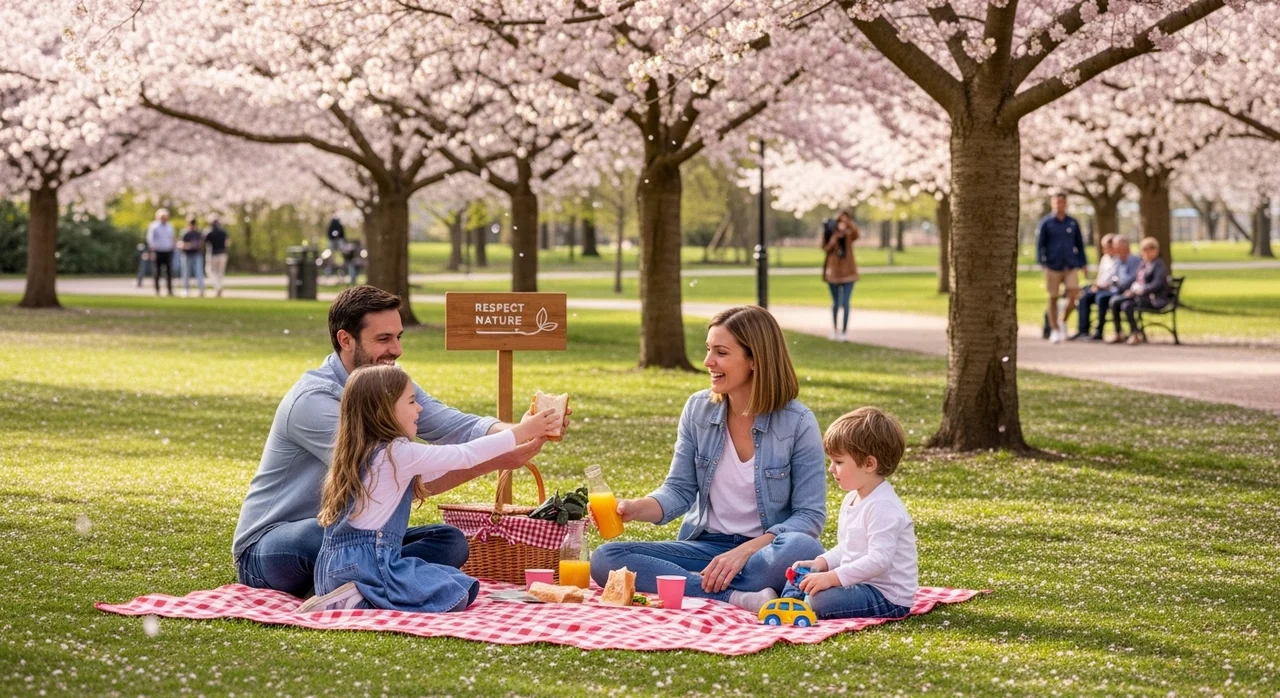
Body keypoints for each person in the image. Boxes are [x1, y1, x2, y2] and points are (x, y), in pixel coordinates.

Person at [232, 285, 567, 598]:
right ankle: (371, 581)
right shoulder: (313, 401)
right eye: (383, 338)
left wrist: (525, 428)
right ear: (345, 339)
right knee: (317, 535)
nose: (396, 349)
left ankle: (358, 583)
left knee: (449, 542)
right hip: (273, 546)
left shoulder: (388, 382)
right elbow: (392, 475)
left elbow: (451, 424)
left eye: (398, 336)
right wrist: (499, 457)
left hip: (362, 540)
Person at [589, 305, 827, 614]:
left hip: (765, 551)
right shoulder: (698, 410)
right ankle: (736, 596)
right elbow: (679, 490)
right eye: (708, 349)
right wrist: (636, 508)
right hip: (705, 548)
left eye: (721, 352)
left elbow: (809, 517)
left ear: (755, 359)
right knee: (606, 558)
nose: (707, 362)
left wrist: (745, 551)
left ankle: (699, 585)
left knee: (803, 547)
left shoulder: (797, 422)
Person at [297, 364, 563, 613]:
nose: (420, 409)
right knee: (452, 594)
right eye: (412, 401)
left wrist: (524, 430)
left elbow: (444, 465)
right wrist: (521, 432)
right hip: (368, 568)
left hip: (334, 566)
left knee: (454, 580)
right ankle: (357, 601)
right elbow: (464, 454)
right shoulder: (397, 453)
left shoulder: (366, 452)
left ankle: (350, 594)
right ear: (385, 409)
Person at [782, 407, 917, 620]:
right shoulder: (853, 497)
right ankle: (787, 604)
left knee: (820, 599)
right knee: (802, 574)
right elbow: (848, 548)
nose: (831, 469)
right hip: (857, 583)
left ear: (869, 464)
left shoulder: (883, 507)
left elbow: (879, 560)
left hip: (885, 596)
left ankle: (802, 603)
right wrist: (821, 563)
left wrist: (832, 578)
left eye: (839, 462)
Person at [1036, 194, 1088, 344]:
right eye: (1057, 202)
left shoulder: (1072, 222)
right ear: (1053, 204)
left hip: (1070, 264)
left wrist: (1083, 263)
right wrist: (1043, 263)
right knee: (1053, 297)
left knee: (1074, 295)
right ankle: (1054, 329)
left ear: (1065, 204)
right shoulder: (1046, 223)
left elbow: (1079, 245)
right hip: (1053, 265)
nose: (1059, 205)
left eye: (1062, 202)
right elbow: (1040, 245)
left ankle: (1062, 320)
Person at [1109, 237, 1170, 345]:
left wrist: (1141, 290)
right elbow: (1136, 280)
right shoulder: (1143, 264)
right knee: (1115, 302)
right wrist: (1131, 290)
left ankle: (1135, 334)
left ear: (1156, 250)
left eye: (1150, 249)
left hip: (1153, 298)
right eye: (1144, 249)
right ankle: (1119, 332)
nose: (1147, 252)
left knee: (1126, 305)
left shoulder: (1158, 265)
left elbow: (1157, 284)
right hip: (1139, 296)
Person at [821, 211, 860, 342]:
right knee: (836, 304)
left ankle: (844, 332)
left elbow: (857, 234)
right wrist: (834, 238)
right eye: (841, 221)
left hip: (849, 273)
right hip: (834, 274)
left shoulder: (849, 235)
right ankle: (834, 329)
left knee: (846, 303)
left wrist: (848, 224)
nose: (843, 224)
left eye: (845, 221)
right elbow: (825, 248)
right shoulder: (830, 234)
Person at [1070, 234, 1116, 340]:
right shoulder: (1105, 258)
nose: (1105, 250)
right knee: (1083, 297)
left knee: (1100, 299)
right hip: (1099, 287)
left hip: (1110, 289)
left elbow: (1114, 279)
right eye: (1104, 247)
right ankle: (1083, 330)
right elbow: (1100, 276)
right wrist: (1096, 285)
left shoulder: (1118, 259)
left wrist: (1101, 286)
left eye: (1108, 247)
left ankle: (1099, 331)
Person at [146, 208, 176, 297]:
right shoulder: (154, 226)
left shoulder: (169, 226)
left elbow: (171, 238)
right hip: (158, 251)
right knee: (157, 271)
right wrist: (152, 250)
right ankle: (157, 290)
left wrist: (173, 246)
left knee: (169, 272)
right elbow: (150, 239)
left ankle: (169, 290)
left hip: (168, 251)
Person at [179, 214, 205, 297]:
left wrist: (192, 245)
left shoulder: (198, 233)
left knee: (199, 272)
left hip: (196, 254)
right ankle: (186, 289)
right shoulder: (184, 233)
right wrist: (188, 245)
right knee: (186, 273)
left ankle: (201, 290)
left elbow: (200, 244)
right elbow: (181, 244)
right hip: (187, 255)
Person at [204, 215, 230, 298]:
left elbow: (204, 242)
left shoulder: (209, 232)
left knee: (210, 271)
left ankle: (217, 287)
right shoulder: (223, 232)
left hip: (213, 254)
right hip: (223, 254)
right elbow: (227, 243)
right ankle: (219, 287)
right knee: (220, 273)